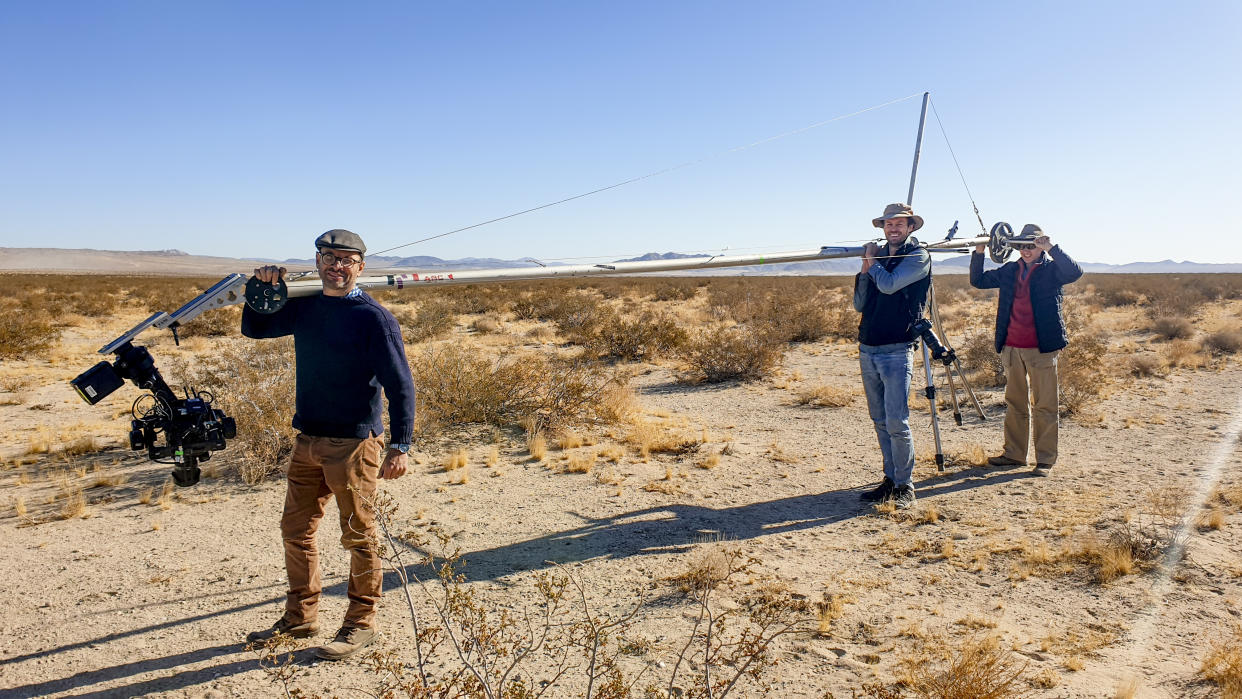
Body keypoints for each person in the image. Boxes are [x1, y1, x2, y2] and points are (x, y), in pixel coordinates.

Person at [242, 229, 416, 661]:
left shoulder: (373, 318)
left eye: (346, 259)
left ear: (360, 266)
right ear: (317, 262)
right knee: (295, 530)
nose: (336, 265)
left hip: (354, 444)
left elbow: (401, 385)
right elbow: (255, 329)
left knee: (359, 535)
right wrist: (262, 290)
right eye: (328, 257)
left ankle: (360, 623)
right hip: (308, 441)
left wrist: (401, 445)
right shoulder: (305, 306)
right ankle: (301, 616)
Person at [969, 224, 1082, 476]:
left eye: (1031, 246)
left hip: (1042, 347)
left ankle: (1045, 460)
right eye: (1021, 246)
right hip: (1011, 346)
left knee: (1045, 404)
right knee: (1015, 404)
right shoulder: (1010, 269)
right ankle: (1014, 454)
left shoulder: (1052, 270)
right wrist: (979, 252)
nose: (1025, 250)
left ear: (1040, 247)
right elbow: (978, 281)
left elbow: (1075, 272)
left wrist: (1052, 248)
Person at [854, 203, 932, 509]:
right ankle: (889, 479)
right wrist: (865, 268)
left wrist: (872, 262)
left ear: (911, 227)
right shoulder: (877, 258)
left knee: (897, 421)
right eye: (889, 224)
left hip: (897, 348)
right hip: (868, 347)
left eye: (900, 224)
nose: (894, 229)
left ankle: (904, 485)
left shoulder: (917, 256)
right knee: (880, 420)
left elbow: (888, 286)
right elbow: (861, 303)